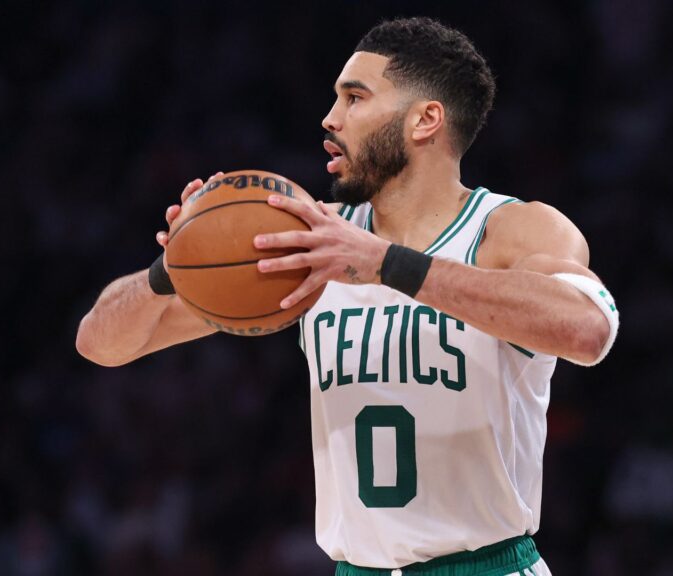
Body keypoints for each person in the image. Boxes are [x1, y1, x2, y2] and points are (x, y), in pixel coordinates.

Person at [76, 16, 619, 576]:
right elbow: (100, 343)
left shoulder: (512, 230)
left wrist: (387, 265)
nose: (329, 119)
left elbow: (587, 330)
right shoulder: (314, 239)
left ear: (425, 119)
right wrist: (174, 267)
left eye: (354, 98)